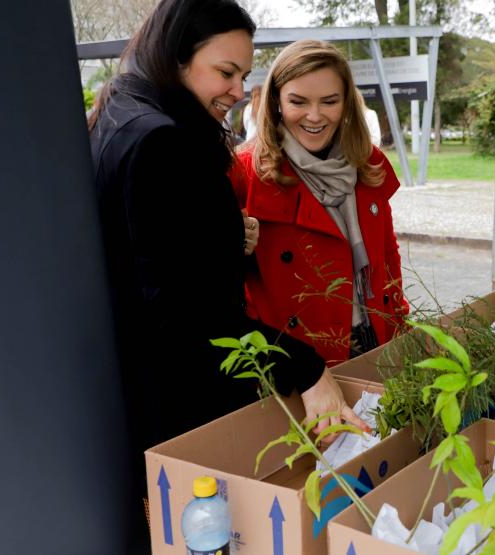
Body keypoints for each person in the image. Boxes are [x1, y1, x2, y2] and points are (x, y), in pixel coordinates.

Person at [87, 2, 365, 548]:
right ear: (176, 59)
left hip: (137, 395)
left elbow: (150, 262)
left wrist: (224, 241)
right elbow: (191, 318)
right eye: (225, 72)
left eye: (242, 74)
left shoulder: (121, 113)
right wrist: (306, 368)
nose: (239, 90)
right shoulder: (165, 143)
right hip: (182, 401)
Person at [232, 40, 408, 366]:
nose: (314, 116)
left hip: (374, 340)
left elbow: (386, 256)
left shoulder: (367, 162)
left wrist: (402, 334)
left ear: (346, 104)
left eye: (329, 101)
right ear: (276, 102)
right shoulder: (247, 172)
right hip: (299, 361)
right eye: (298, 101)